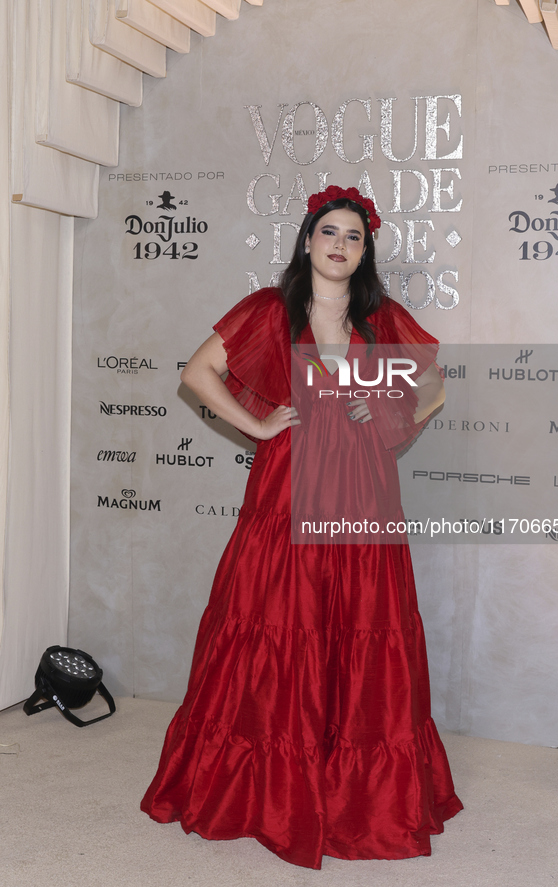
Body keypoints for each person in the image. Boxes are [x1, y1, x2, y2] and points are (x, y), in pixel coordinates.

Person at [141, 186, 462, 869]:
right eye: (329, 233)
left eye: (353, 236)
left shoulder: (379, 320)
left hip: (361, 491)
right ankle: (269, 790)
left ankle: (353, 792)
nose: (340, 244)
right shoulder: (269, 310)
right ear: (308, 242)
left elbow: (432, 387)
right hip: (287, 487)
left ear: (363, 249)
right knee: (280, 620)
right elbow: (200, 372)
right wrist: (257, 424)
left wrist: (380, 414)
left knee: (356, 622)